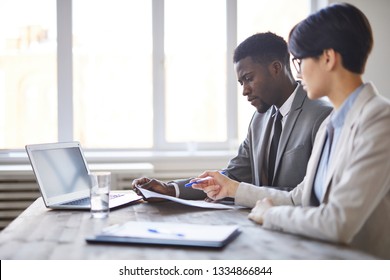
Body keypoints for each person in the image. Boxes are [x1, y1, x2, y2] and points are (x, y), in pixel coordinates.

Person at [191, 3, 390, 259]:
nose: (296, 72)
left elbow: (338, 222)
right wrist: (232, 189)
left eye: (298, 61)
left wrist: (271, 214)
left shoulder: (380, 119)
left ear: (328, 58)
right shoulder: (334, 123)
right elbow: (300, 198)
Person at [132, 32, 332, 199]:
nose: (244, 90)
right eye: (241, 83)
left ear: (276, 68)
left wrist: (240, 192)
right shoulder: (259, 119)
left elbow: (311, 195)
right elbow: (233, 176)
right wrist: (171, 190)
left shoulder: (321, 115)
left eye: (248, 78)